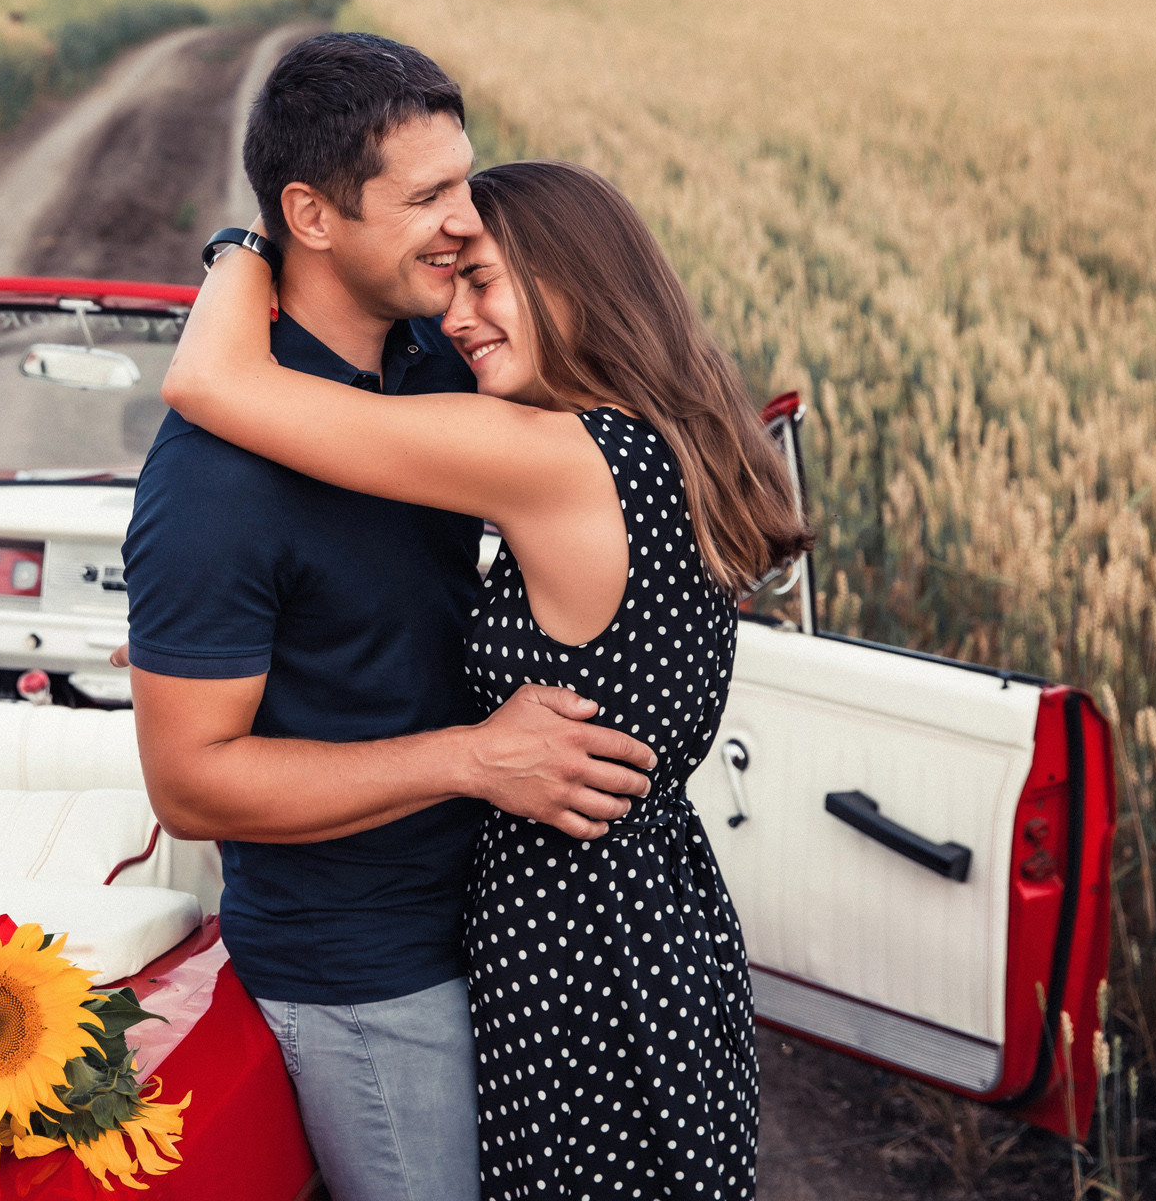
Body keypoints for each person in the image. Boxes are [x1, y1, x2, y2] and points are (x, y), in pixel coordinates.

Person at [157, 155, 811, 1199]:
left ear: (574, 281)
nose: (455, 320)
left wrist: (249, 243)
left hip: (573, 953)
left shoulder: (554, 456)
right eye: (451, 284)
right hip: (659, 923)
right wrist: (237, 634)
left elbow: (210, 384)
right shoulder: (667, 448)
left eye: (484, 281)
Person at [122, 35, 658, 1201]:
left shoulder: (443, 354)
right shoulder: (214, 482)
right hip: (365, 970)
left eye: (464, 179)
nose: (466, 221)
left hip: (503, 915)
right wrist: (473, 758)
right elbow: (191, 785)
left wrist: (239, 251)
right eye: (426, 197)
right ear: (311, 216)